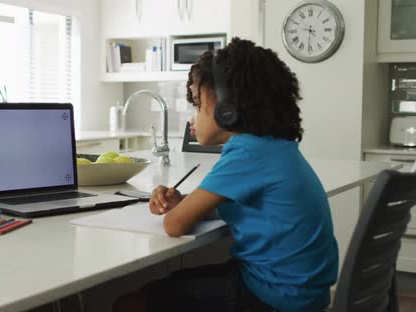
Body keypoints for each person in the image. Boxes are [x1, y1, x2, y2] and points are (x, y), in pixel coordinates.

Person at [113, 38, 338, 312]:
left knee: (131, 303)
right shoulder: (272, 146)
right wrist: (183, 202)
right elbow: (235, 208)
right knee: (164, 286)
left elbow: (174, 225)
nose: (191, 117)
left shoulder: (247, 153)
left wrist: (178, 211)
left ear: (227, 109)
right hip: (297, 292)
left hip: (273, 297)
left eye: (197, 104)